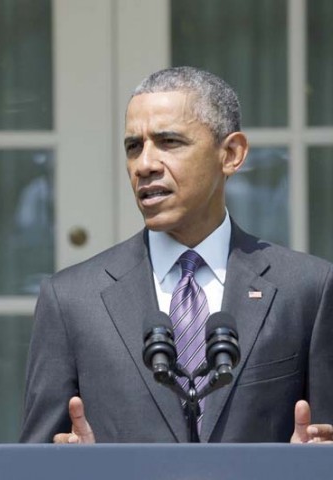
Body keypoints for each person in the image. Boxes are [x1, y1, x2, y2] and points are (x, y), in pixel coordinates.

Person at [19, 67, 333, 444]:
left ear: (231, 154)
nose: (145, 164)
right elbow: (33, 459)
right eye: (134, 146)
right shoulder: (70, 298)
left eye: (169, 142)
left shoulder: (307, 289)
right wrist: (69, 467)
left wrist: (308, 464)